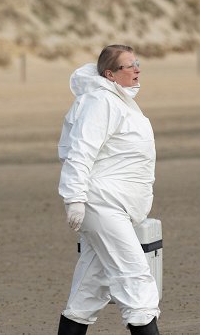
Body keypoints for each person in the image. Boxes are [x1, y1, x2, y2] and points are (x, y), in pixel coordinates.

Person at [57, 45, 160, 335]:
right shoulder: (100, 101)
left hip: (119, 205)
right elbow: (80, 151)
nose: (137, 69)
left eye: (137, 63)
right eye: (129, 66)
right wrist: (74, 198)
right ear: (110, 74)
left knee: (89, 291)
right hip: (103, 203)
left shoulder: (121, 102)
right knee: (136, 281)